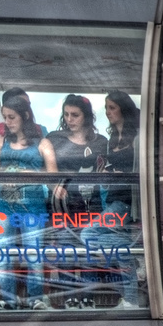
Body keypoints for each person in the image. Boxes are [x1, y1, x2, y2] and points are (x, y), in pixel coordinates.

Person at [0, 94, 57, 309]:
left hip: (32, 202)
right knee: (3, 254)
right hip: (4, 203)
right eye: (5, 118)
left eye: (11, 117)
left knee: (34, 254)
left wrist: (30, 174)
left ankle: (36, 299)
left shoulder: (43, 142)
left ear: (25, 116)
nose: (7, 122)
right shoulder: (1, 141)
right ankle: (8, 300)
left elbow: (53, 177)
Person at [82, 90, 143, 307]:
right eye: (106, 107)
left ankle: (132, 299)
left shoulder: (137, 137)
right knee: (122, 255)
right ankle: (131, 300)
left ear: (123, 109)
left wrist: (121, 173)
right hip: (112, 197)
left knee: (87, 232)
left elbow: (140, 170)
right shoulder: (110, 140)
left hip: (128, 200)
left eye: (112, 107)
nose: (107, 112)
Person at [48, 94, 107, 306]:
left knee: (88, 254)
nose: (70, 119)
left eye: (75, 115)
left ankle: (88, 298)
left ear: (86, 117)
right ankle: (70, 298)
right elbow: (45, 164)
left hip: (92, 206)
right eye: (66, 115)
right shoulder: (55, 138)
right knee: (65, 253)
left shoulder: (100, 142)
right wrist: (52, 184)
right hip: (63, 205)